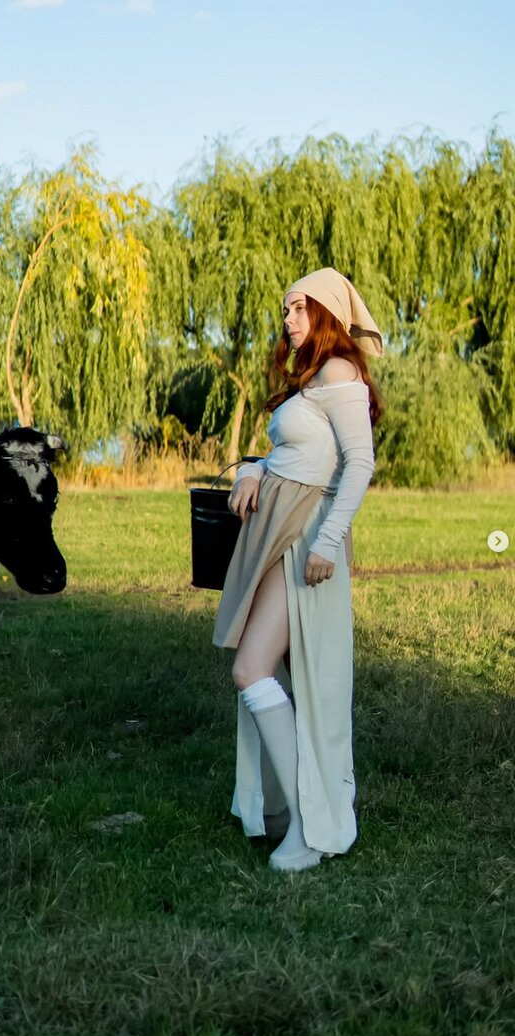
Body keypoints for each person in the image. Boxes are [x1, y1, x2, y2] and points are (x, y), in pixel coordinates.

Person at [213, 267, 384, 872]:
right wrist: (251, 469)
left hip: (305, 536)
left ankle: (310, 827)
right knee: (278, 673)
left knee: (252, 668)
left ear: (327, 313)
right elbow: (294, 452)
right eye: (286, 309)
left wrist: (326, 544)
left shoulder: (339, 373)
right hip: (279, 534)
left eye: (299, 308)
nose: (287, 319)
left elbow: (358, 464)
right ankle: (290, 808)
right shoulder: (312, 378)